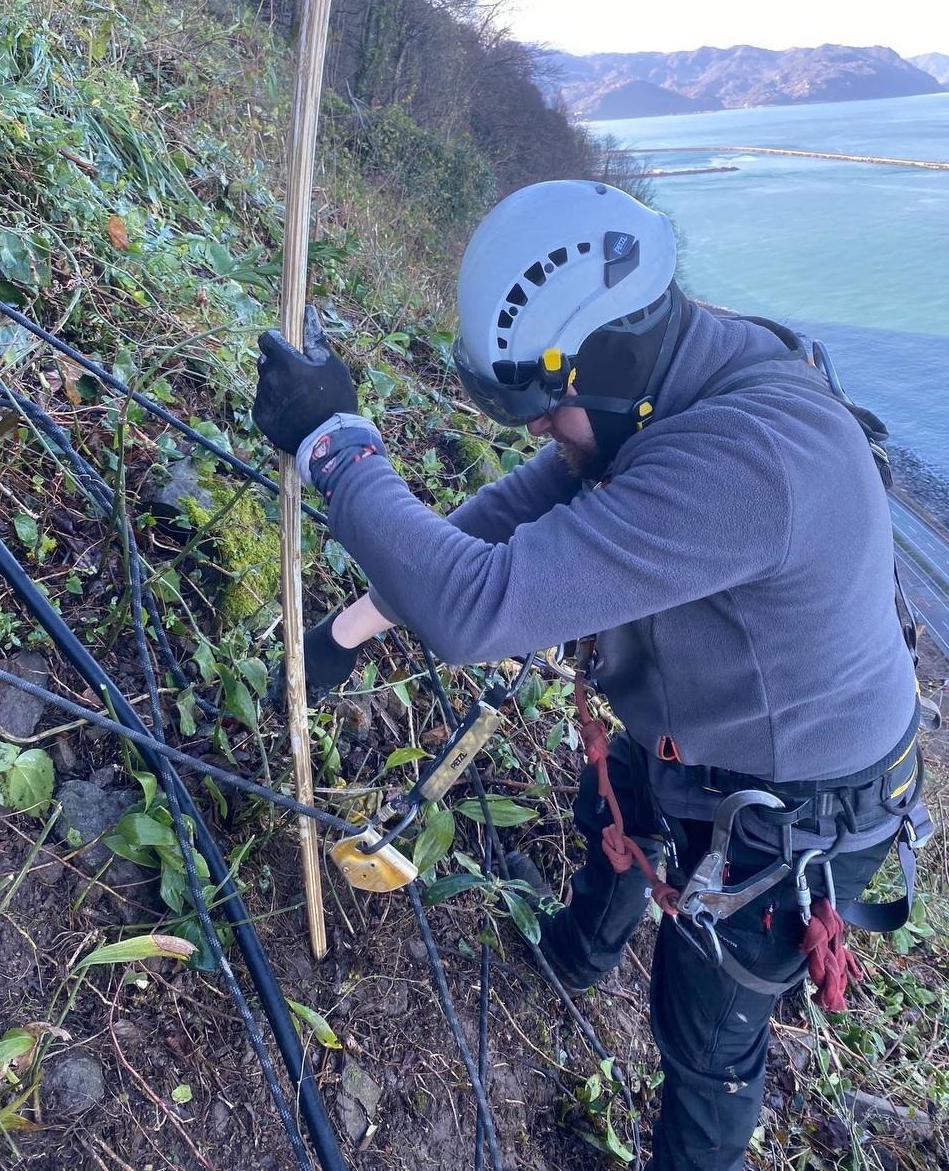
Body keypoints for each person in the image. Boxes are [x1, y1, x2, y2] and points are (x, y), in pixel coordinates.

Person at [252, 180, 929, 1171]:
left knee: (704, 1030)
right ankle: (576, 952)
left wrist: (337, 448)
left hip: (803, 803)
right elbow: (511, 521)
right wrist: (350, 632)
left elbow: (476, 605)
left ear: (606, 362)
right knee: (613, 811)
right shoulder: (667, 382)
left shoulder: (746, 461)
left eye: (550, 406)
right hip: (699, 731)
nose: (541, 431)